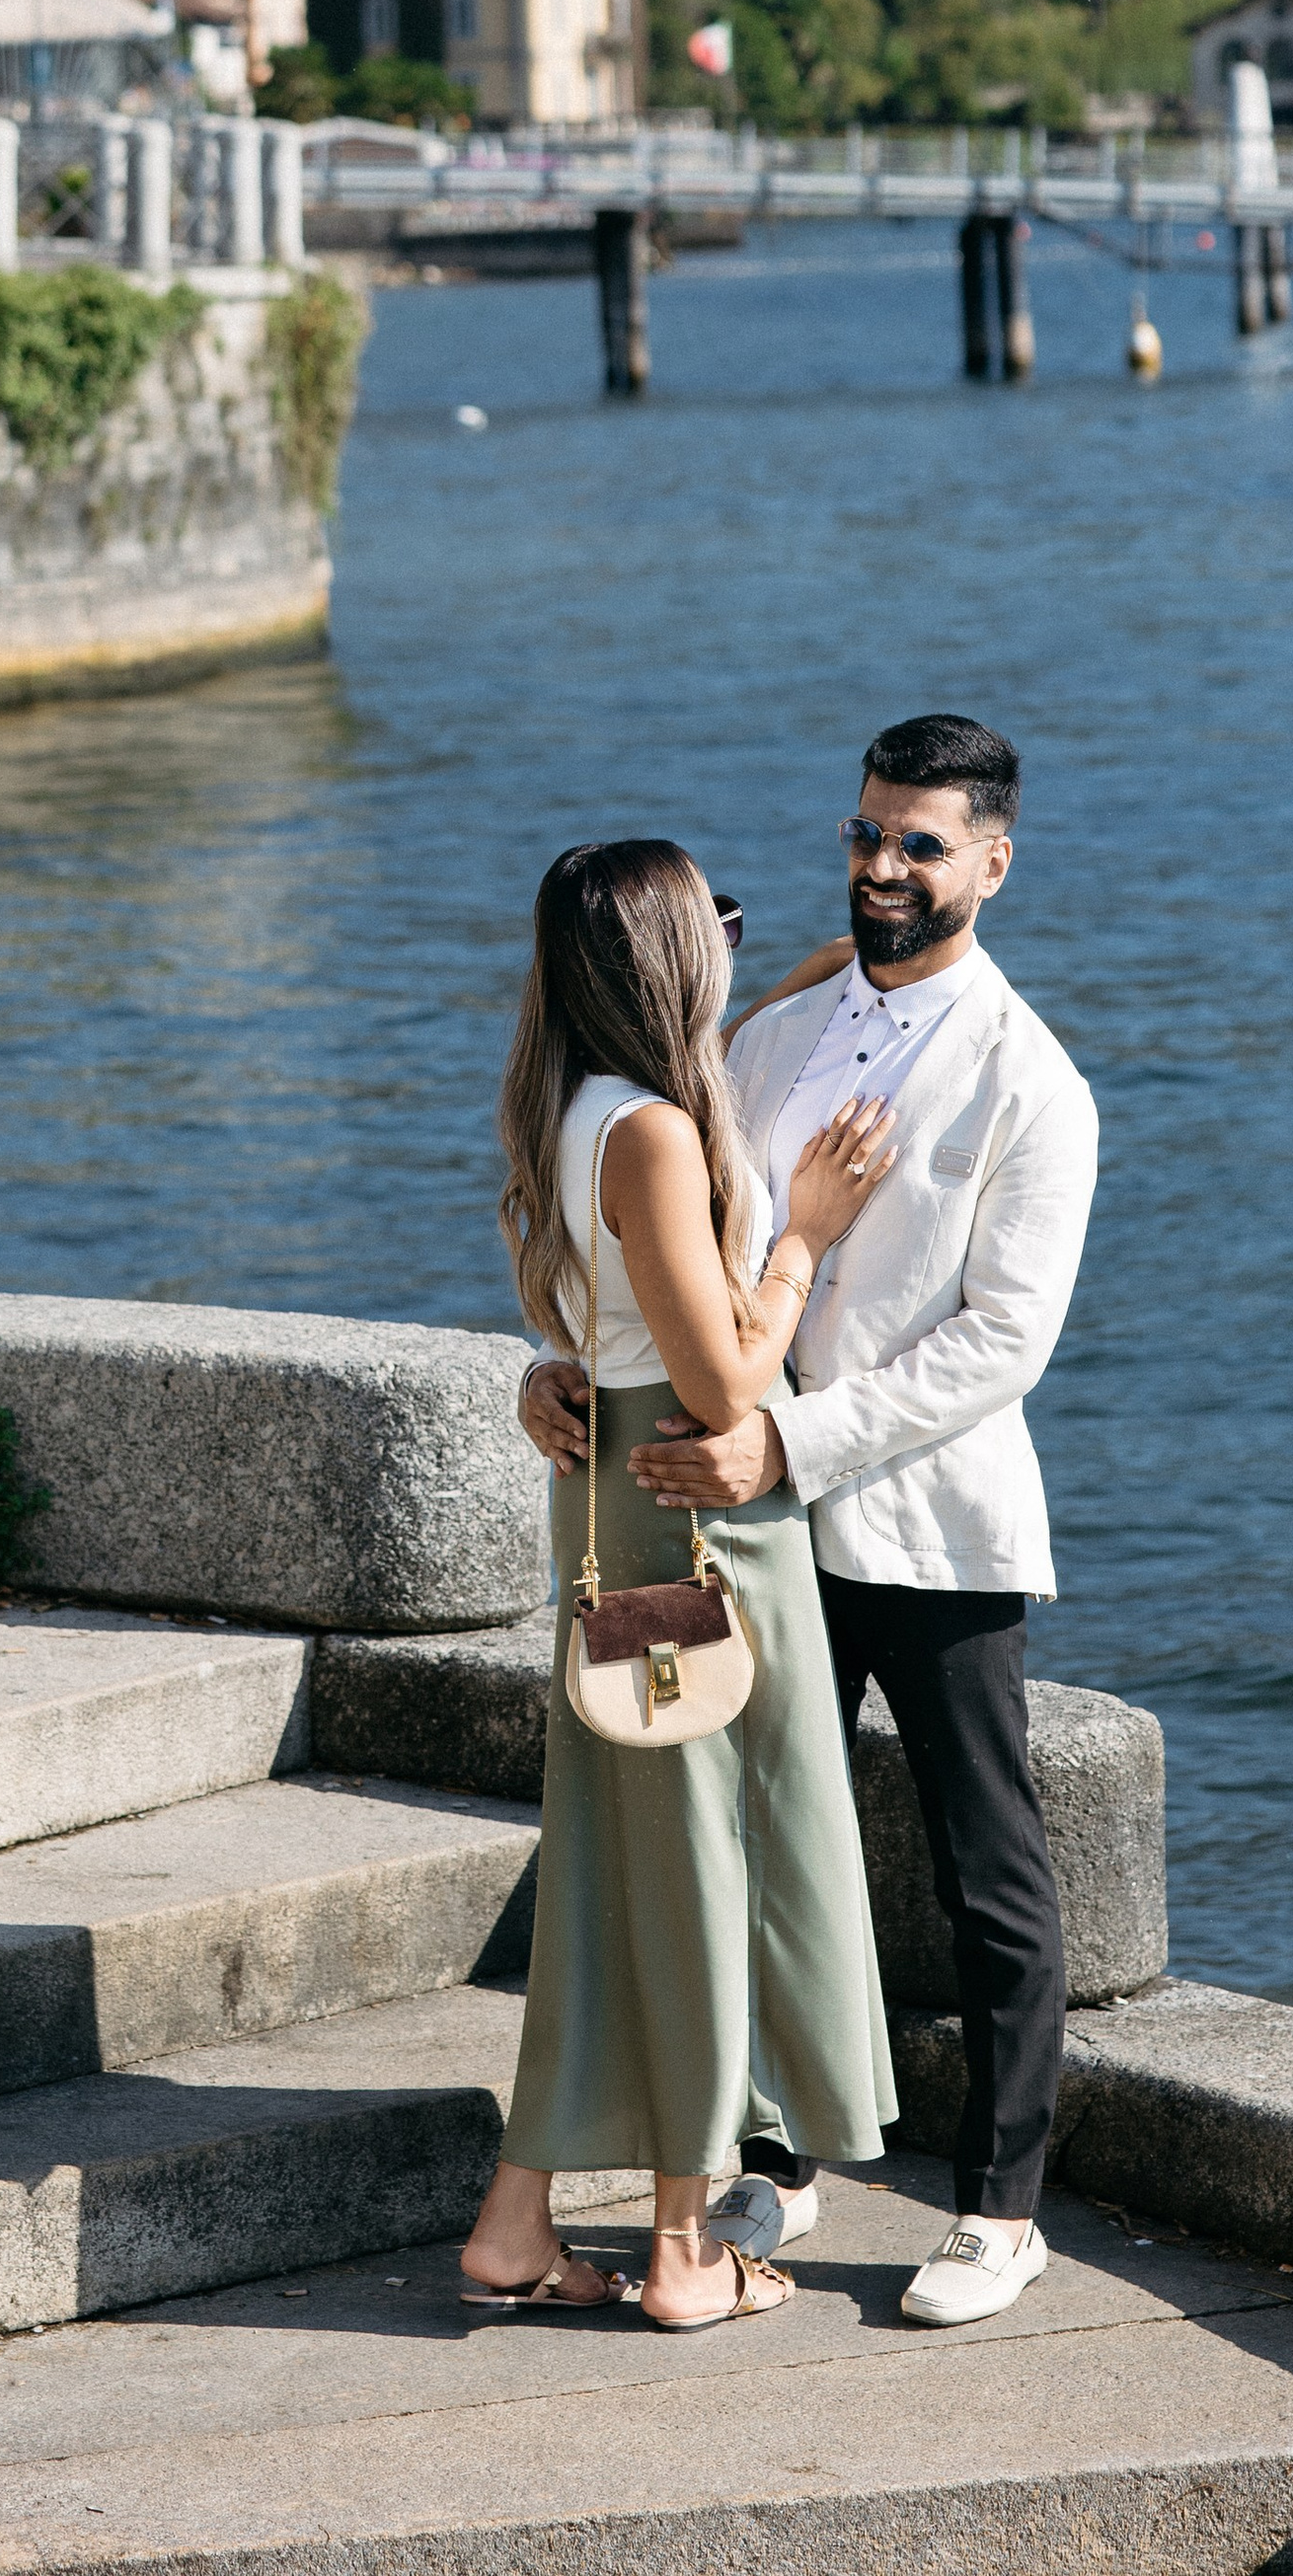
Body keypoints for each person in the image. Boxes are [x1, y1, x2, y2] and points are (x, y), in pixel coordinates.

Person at [520, 716, 1098, 2330]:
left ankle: (999, 2208)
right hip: (744, 1531)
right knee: (748, 1845)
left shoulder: (1032, 1083)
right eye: (866, 834)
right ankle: (771, 2149)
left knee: (989, 1866)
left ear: (993, 861)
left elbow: (1004, 1341)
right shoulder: (755, 1046)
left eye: (921, 842)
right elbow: (662, 1256)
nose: (884, 866)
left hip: (915, 1521)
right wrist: (559, 1368)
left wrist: (789, 1439)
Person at [462, 838, 900, 2330]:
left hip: (606, 1503)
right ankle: (684, 2249)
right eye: (719, 920)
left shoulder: (579, 1101)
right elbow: (722, 1390)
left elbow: (603, 1308)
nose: (738, 937)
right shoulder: (651, 1132)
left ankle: (519, 2223)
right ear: (666, 958)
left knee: (621, 1874)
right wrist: (801, 1243)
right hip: (691, 1521)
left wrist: (814, 976)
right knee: (711, 1869)